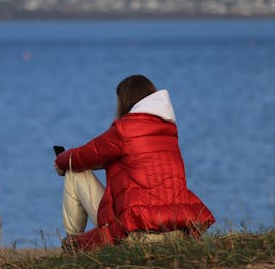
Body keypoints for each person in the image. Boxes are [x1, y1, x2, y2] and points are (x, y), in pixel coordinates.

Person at [54, 74, 215, 251]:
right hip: (177, 232)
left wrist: (60, 163)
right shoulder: (169, 131)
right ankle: (76, 246)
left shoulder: (124, 130)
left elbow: (82, 155)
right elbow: (135, 161)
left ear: (125, 101)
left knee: (73, 172)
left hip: (137, 233)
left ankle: (72, 244)